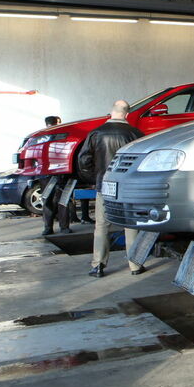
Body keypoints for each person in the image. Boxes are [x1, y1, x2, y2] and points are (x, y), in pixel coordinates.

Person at [76, 100, 144, 278]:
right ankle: (135, 265)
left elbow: (83, 160)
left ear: (111, 112)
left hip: (104, 185)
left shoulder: (96, 133)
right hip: (127, 187)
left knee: (101, 225)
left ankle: (98, 265)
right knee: (130, 225)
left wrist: (95, 178)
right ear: (127, 114)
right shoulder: (135, 133)